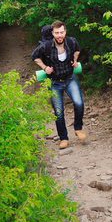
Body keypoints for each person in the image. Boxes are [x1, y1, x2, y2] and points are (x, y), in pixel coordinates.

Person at [31, 20, 86, 149]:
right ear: (53, 33)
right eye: (57, 33)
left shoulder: (71, 42)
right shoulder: (47, 46)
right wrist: (44, 68)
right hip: (54, 83)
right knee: (59, 112)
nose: (60, 35)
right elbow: (34, 56)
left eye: (61, 32)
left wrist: (75, 60)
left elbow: (77, 50)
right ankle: (63, 139)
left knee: (79, 104)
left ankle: (78, 129)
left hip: (70, 79)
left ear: (65, 32)